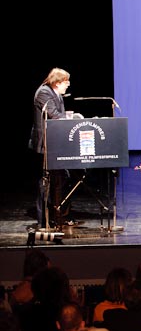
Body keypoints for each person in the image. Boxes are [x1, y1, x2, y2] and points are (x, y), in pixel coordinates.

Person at [28, 67, 71, 229]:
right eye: (66, 82)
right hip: (45, 143)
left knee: (62, 178)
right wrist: (70, 118)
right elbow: (55, 115)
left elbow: (61, 115)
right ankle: (43, 219)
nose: (68, 85)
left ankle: (58, 215)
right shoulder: (44, 93)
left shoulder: (57, 94)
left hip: (56, 143)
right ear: (57, 82)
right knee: (45, 183)